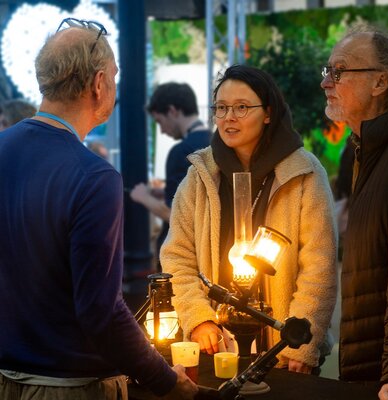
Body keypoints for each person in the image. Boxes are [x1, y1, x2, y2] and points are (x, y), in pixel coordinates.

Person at [0, 18, 197, 400]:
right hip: (67, 386)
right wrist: (166, 381)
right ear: (99, 83)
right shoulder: (94, 176)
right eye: (116, 78)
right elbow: (101, 312)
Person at [162, 64, 337, 374]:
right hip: (217, 345)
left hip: (282, 344)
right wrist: (198, 317)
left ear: (268, 112)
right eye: (222, 108)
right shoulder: (200, 175)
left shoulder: (304, 173)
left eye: (242, 107)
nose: (229, 117)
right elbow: (178, 256)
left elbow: (318, 267)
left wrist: (299, 344)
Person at [321, 25, 388, 399]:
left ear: (380, 82)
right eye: (327, 71)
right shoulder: (364, 150)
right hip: (367, 362)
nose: (326, 82)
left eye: (339, 72)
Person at [130, 82, 211, 270]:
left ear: (173, 111)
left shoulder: (180, 152)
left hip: (182, 260)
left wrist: (143, 198)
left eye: (159, 121)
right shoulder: (215, 143)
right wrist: (161, 192)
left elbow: (174, 215)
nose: (162, 130)